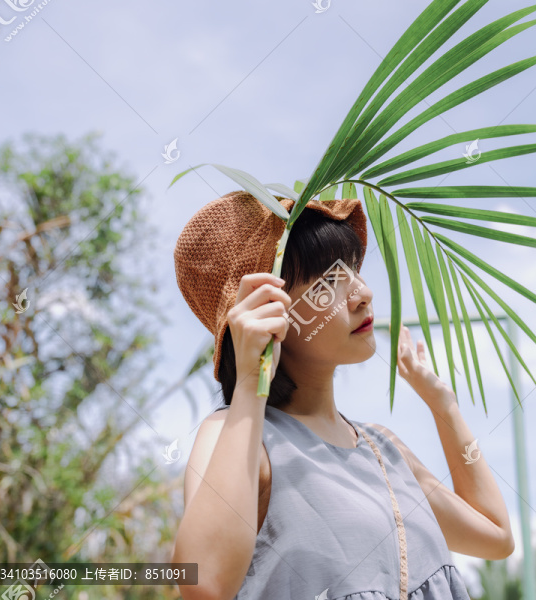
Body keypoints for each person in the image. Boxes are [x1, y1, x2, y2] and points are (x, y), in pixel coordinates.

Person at [172, 190, 514, 600]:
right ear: (268, 315)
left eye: (352, 268)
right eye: (328, 281)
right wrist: (249, 383)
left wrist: (444, 406)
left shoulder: (384, 450)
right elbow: (201, 583)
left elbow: (497, 536)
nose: (362, 293)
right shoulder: (238, 434)